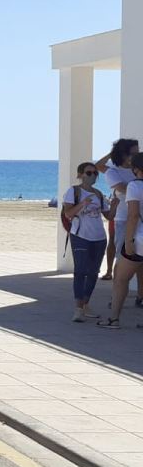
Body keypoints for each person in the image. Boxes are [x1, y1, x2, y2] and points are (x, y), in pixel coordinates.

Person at [97, 153, 143, 330]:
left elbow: (133, 215)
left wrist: (129, 241)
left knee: (121, 279)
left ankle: (114, 319)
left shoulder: (135, 186)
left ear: (135, 169)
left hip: (139, 240)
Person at [62, 161, 110, 323]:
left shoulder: (99, 194)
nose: (93, 176)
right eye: (89, 173)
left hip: (99, 238)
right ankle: (78, 309)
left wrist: (117, 205)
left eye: (95, 173)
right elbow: (68, 214)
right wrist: (83, 203)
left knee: (93, 272)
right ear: (80, 175)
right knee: (80, 271)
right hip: (80, 236)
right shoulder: (74, 191)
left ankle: (85, 304)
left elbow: (109, 216)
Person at [96, 139, 140, 284]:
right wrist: (112, 153)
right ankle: (117, 290)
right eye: (133, 153)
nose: (137, 155)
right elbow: (124, 188)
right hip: (124, 219)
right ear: (123, 154)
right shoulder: (113, 171)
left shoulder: (138, 169)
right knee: (122, 256)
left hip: (140, 219)